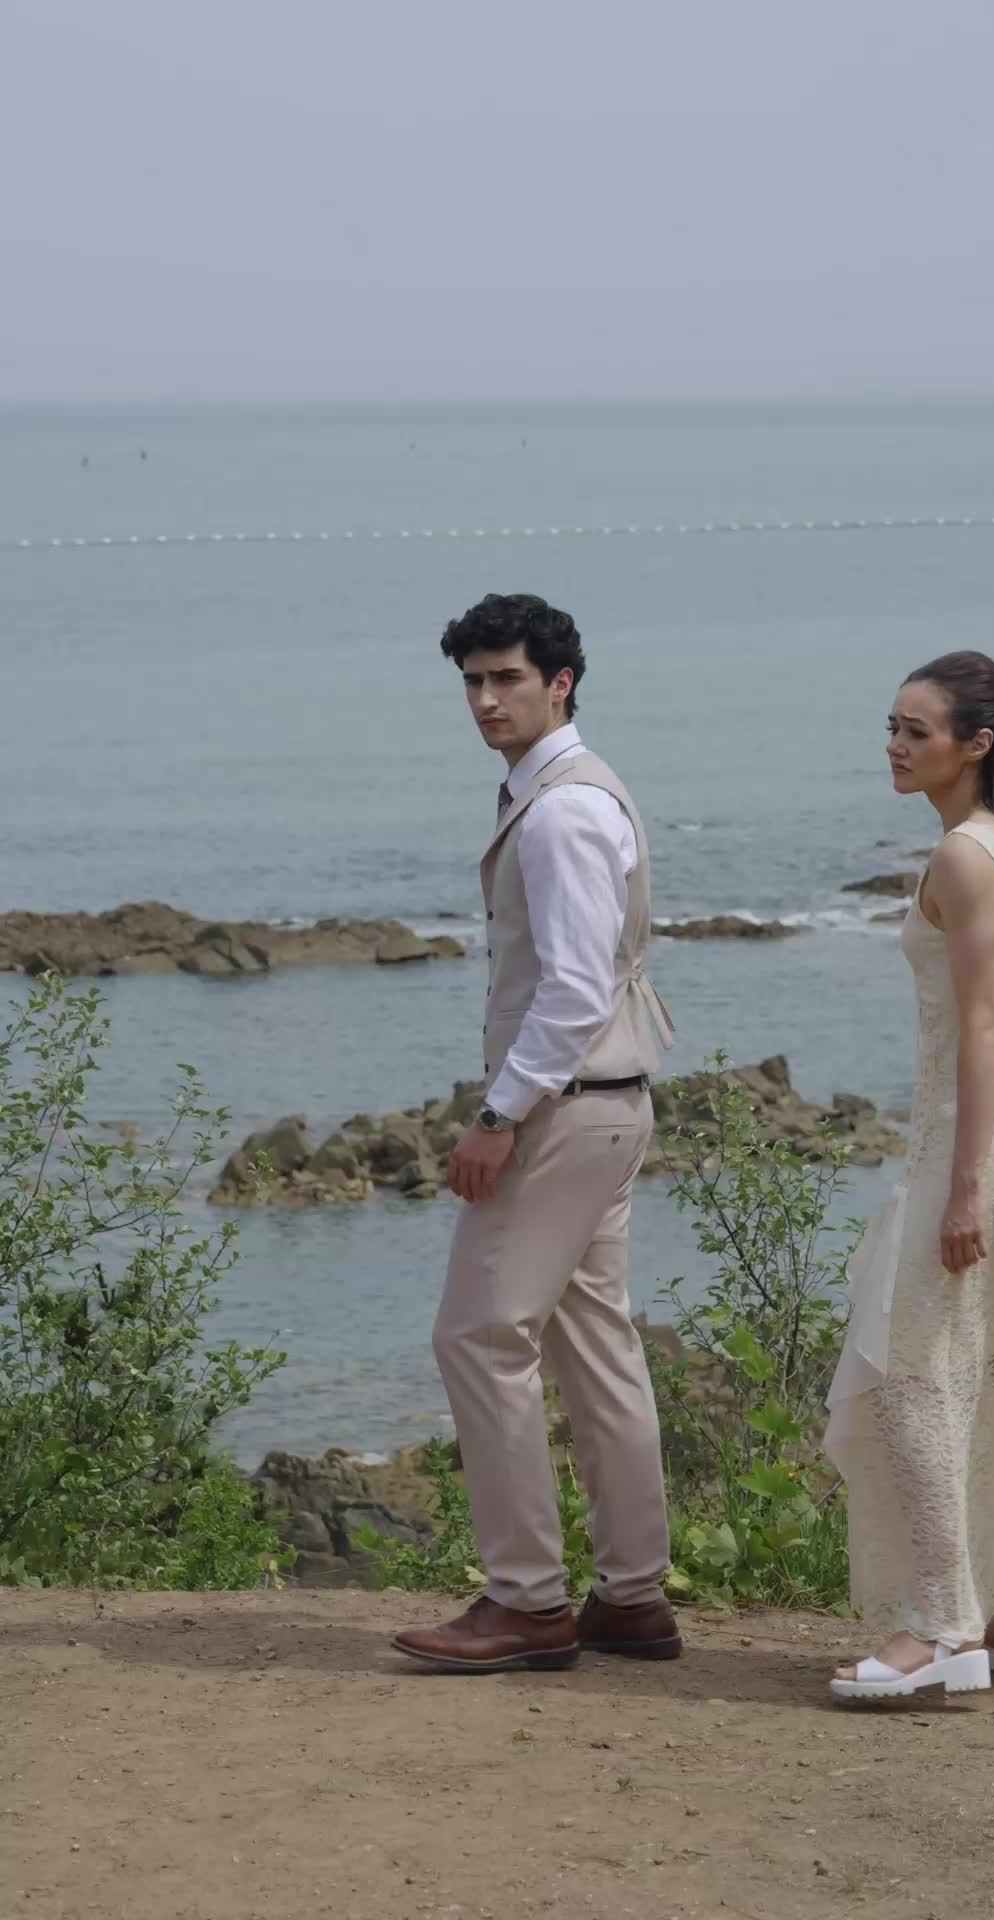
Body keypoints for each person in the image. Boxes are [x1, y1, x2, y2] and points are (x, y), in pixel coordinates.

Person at [392, 593, 679, 1674]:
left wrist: (496, 1117)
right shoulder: (573, 793)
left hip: (565, 1108)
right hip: (608, 1101)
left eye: (506, 677)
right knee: (593, 1344)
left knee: (478, 1335)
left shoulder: (561, 811)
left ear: (560, 683)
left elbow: (569, 991)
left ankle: (525, 1601)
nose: (484, 698)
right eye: (472, 680)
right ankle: (633, 1597)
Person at [826, 650, 994, 1702]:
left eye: (916, 731)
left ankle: (943, 1628)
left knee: (914, 1376)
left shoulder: (966, 859)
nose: (895, 745)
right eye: (891, 726)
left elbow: (981, 1024)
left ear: (975, 744)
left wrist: (965, 1184)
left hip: (984, 1142)